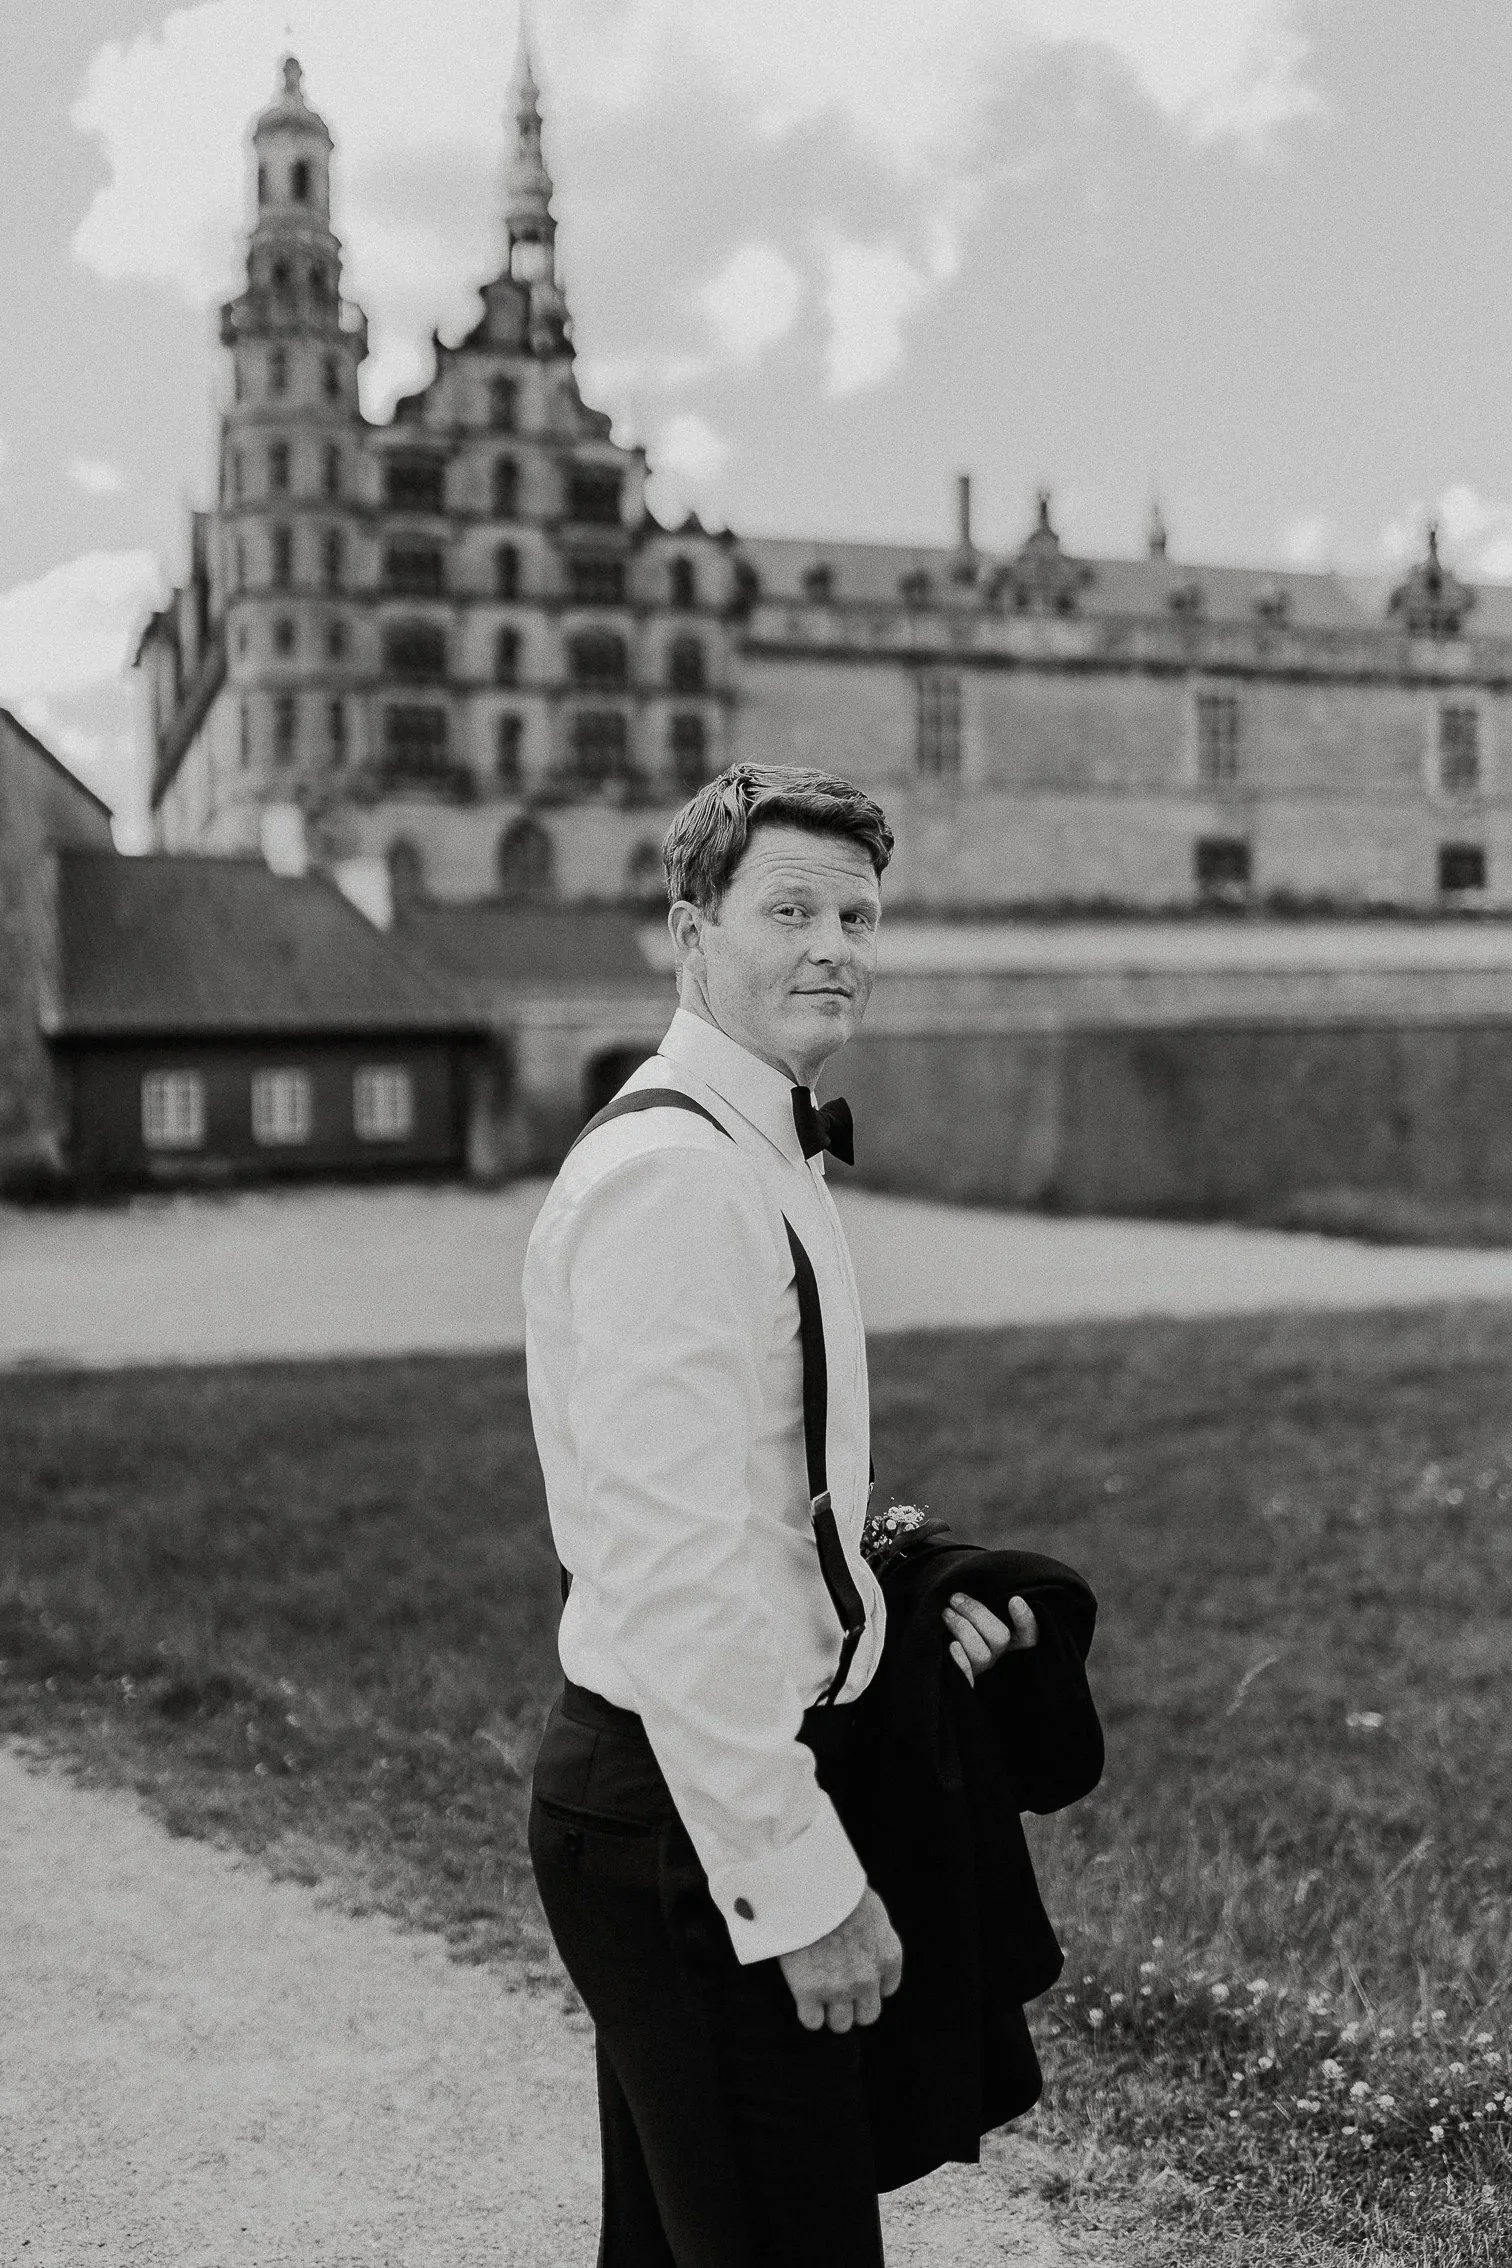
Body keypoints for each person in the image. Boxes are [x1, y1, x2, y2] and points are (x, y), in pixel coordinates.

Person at [523, 763, 1039, 2267]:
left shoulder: (750, 1143)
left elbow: (754, 1500)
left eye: (860, 914)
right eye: (792, 909)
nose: (836, 946)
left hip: (685, 1783)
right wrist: (796, 1887)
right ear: (692, 932)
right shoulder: (677, 1178)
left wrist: (892, 1594)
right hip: (687, 1814)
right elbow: (671, 1576)